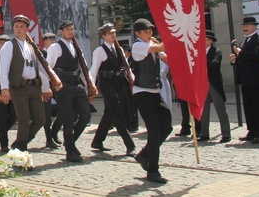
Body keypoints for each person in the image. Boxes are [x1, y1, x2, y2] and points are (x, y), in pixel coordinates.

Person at [0, 14, 52, 152]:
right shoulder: (9, 45)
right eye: (16, 26)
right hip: (18, 87)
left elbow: (42, 68)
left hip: (34, 86)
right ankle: (22, 152)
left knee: (40, 120)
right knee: (23, 121)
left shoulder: (31, 46)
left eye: (22, 26)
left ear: (27, 29)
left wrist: (47, 85)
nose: (19, 29)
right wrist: (4, 88)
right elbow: (3, 68)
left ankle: (19, 144)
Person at [130, 18, 172, 184]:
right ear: (138, 33)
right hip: (142, 93)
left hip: (155, 91)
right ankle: (153, 171)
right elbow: (160, 47)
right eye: (146, 31)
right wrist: (172, 38)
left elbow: (167, 58)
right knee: (154, 131)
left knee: (167, 126)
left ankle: (145, 154)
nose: (149, 34)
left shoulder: (152, 45)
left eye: (150, 31)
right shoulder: (139, 46)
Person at [46, 20, 93, 163]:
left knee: (86, 115)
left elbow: (83, 66)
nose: (70, 32)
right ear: (61, 31)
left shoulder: (76, 46)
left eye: (72, 29)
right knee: (67, 118)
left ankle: (70, 142)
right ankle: (70, 151)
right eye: (67, 29)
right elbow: (48, 67)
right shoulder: (56, 47)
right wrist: (49, 86)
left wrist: (90, 84)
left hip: (76, 84)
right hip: (63, 85)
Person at [89, 23, 136, 156]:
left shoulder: (119, 49)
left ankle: (97, 141)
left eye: (114, 32)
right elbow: (94, 70)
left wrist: (132, 78)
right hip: (107, 84)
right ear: (103, 36)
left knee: (109, 112)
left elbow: (126, 66)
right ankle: (129, 145)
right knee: (117, 113)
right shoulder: (99, 51)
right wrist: (91, 87)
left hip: (119, 82)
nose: (113, 35)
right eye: (109, 33)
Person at [230, 16, 259, 144]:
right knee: (248, 107)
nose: (245, 28)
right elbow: (242, 59)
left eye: (247, 25)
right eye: (244, 26)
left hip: (257, 79)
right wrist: (235, 59)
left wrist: (239, 53)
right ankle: (252, 131)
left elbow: (255, 56)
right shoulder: (242, 42)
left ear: (255, 26)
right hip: (245, 79)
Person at [198, 30, 231, 143]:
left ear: (210, 41)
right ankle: (204, 133)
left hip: (214, 84)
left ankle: (226, 134)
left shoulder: (217, 52)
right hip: (202, 84)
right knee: (204, 110)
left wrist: (202, 58)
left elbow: (214, 65)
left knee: (220, 109)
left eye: (206, 39)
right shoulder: (199, 52)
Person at [41, 32, 60, 149]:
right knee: (47, 114)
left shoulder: (57, 53)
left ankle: (55, 132)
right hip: (46, 85)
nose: (52, 41)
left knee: (64, 109)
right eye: (50, 39)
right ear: (45, 41)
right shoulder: (41, 54)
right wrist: (45, 87)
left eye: (53, 39)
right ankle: (49, 138)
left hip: (57, 85)